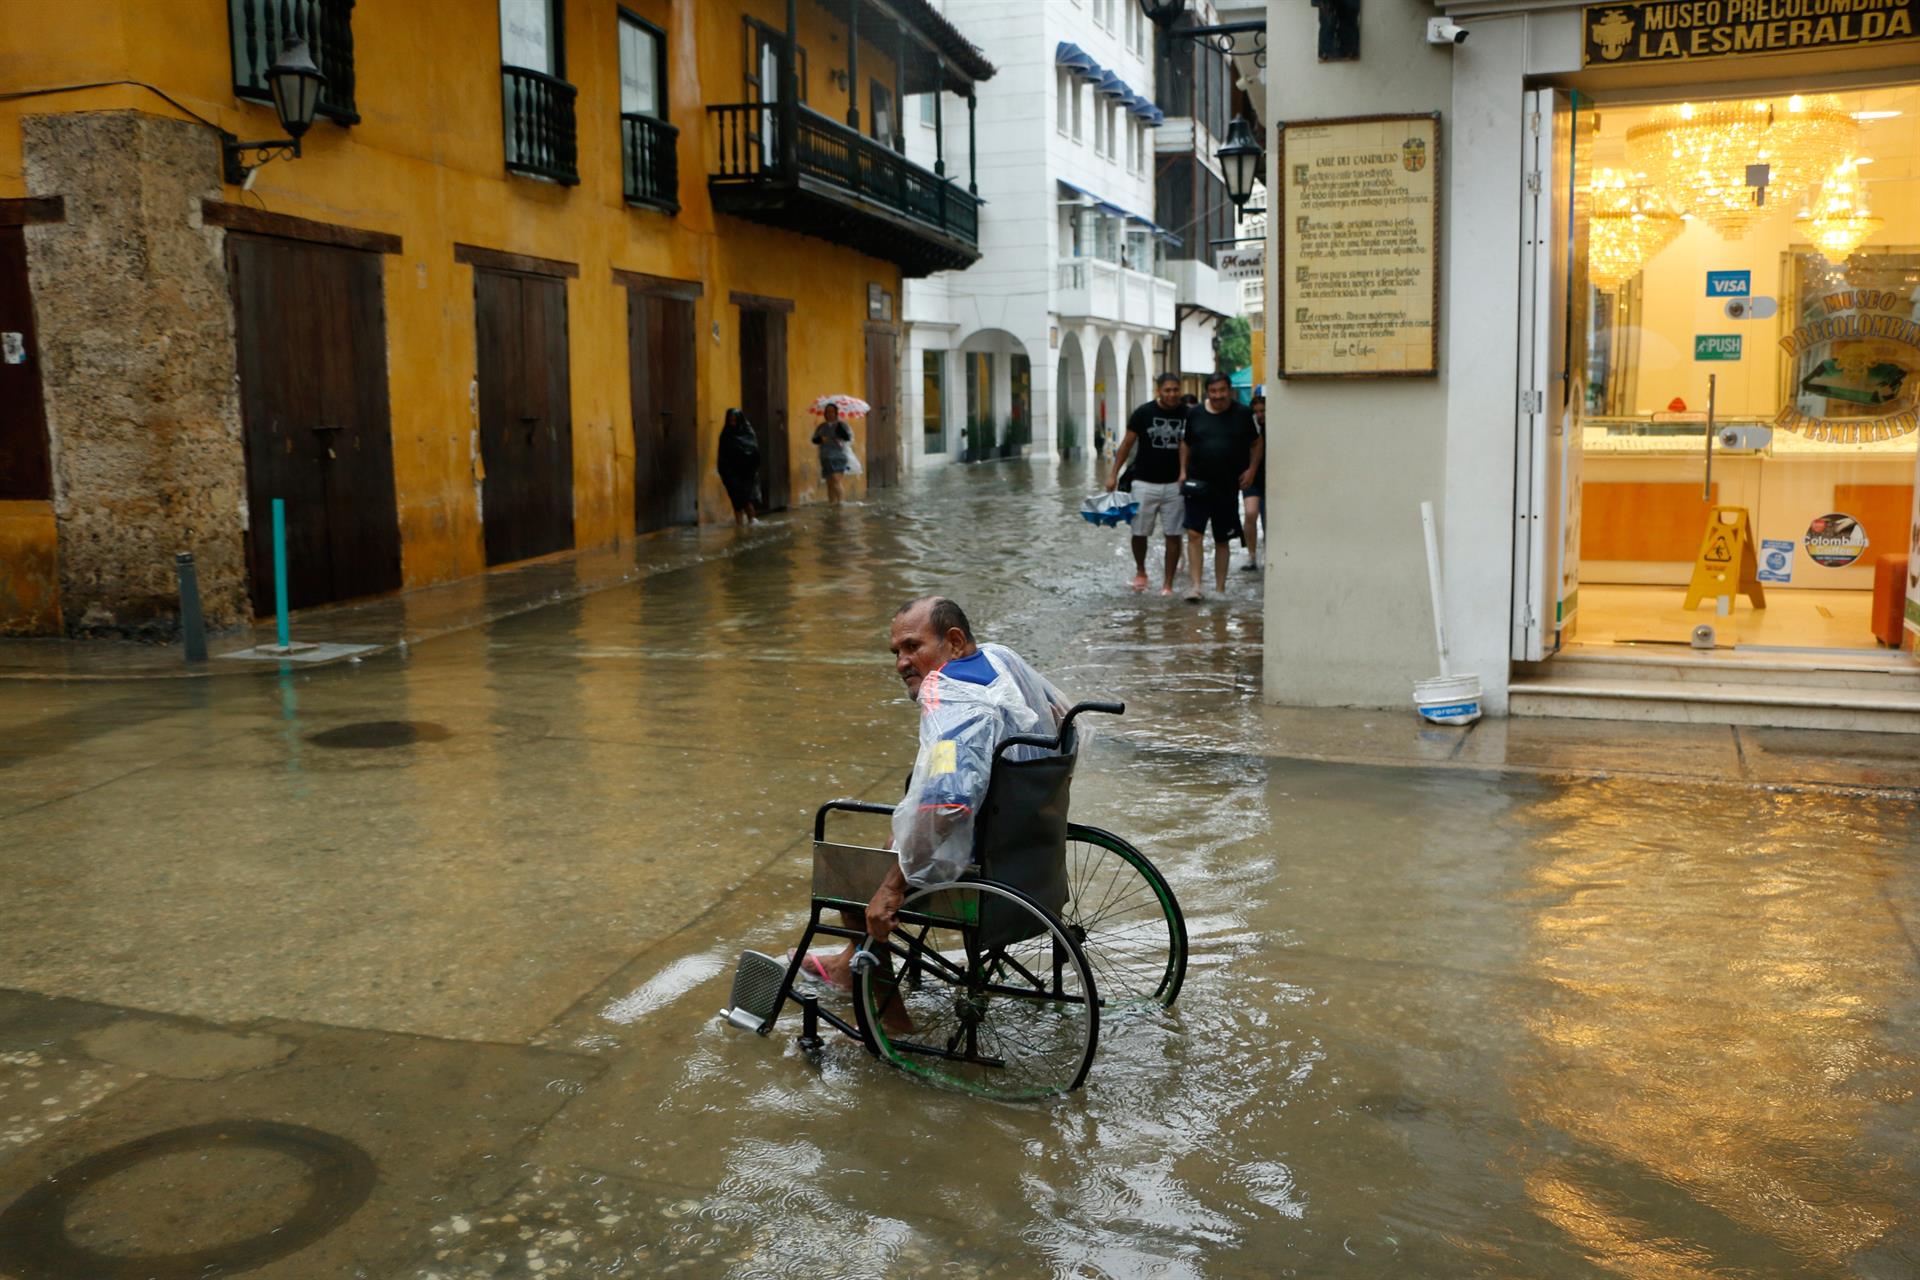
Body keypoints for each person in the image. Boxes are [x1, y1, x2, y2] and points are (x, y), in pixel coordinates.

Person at [798, 596, 1068, 1000]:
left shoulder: (955, 703)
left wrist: (892, 886)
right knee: (895, 839)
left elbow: (949, 805)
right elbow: (1059, 714)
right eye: (896, 652)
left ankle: (890, 1022)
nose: (901, 663)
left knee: (845, 879)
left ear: (955, 642)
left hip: (982, 863)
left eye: (912, 647)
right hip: (1027, 845)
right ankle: (845, 965)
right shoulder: (1000, 659)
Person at [1178, 370, 1263, 602]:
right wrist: (1183, 471)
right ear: (1207, 392)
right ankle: (1196, 585)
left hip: (1227, 484)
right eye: (1213, 391)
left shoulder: (1243, 414)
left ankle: (1220, 588)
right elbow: (1185, 443)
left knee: (1222, 539)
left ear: (1230, 391)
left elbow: (1257, 444)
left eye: (1222, 391)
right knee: (1194, 533)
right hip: (1197, 483)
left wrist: (1252, 470)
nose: (1218, 396)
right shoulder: (1194, 414)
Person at [1107, 372, 1187, 595]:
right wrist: (1113, 474)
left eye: (1175, 390)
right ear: (1159, 391)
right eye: (1167, 390)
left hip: (1175, 484)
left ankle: (1167, 584)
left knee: (1173, 534)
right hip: (1143, 481)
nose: (1172, 394)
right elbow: (1126, 444)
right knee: (1139, 532)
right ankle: (1141, 571)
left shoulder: (1188, 414)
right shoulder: (1144, 413)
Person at [717, 407, 761, 526]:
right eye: (730, 420)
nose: (733, 423)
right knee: (736, 502)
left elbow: (754, 451)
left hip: (746, 473)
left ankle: (752, 522)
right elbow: (722, 455)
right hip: (731, 473)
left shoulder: (747, 432)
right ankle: (739, 527)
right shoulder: (726, 434)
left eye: (735, 420)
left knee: (746, 500)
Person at [1241, 391, 1266, 571]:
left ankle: (1268, 553)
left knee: (1269, 520)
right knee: (1250, 513)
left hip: (1273, 479)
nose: (1260, 415)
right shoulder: (1248, 429)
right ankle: (1251, 556)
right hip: (1252, 478)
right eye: (1256, 411)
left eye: (1263, 411)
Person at [811, 403, 855, 504]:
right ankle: (832, 503)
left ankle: (841, 503)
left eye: (832, 411)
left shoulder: (841, 425)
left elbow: (848, 438)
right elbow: (814, 439)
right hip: (825, 456)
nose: (829, 414)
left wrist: (839, 436)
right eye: (827, 412)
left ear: (836, 413)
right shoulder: (821, 427)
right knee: (829, 483)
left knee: (836, 480)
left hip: (838, 456)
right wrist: (821, 439)